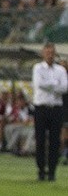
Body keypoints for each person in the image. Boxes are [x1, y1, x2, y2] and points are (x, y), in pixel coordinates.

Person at [31, 42, 67, 180]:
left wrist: (50, 85)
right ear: (43, 54)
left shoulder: (60, 70)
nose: (50, 55)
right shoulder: (38, 68)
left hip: (56, 108)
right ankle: (41, 170)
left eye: (52, 53)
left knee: (55, 141)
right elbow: (39, 84)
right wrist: (55, 85)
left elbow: (65, 87)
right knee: (40, 140)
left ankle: (52, 171)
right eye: (47, 53)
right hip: (41, 107)